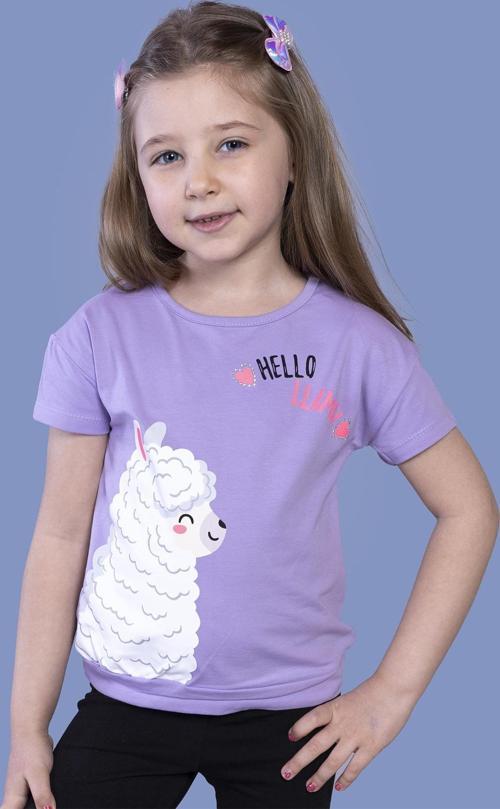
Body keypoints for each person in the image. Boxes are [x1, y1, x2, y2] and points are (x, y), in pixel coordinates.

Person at [3, 2, 498, 808]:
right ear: (137, 174)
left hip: (291, 721)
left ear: (294, 150)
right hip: (128, 703)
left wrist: (392, 693)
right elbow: (59, 536)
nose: (199, 180)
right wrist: (27, 725)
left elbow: (469, 509)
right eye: (166, 155)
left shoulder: (358, 345)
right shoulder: (97, 337)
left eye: (230, 143)